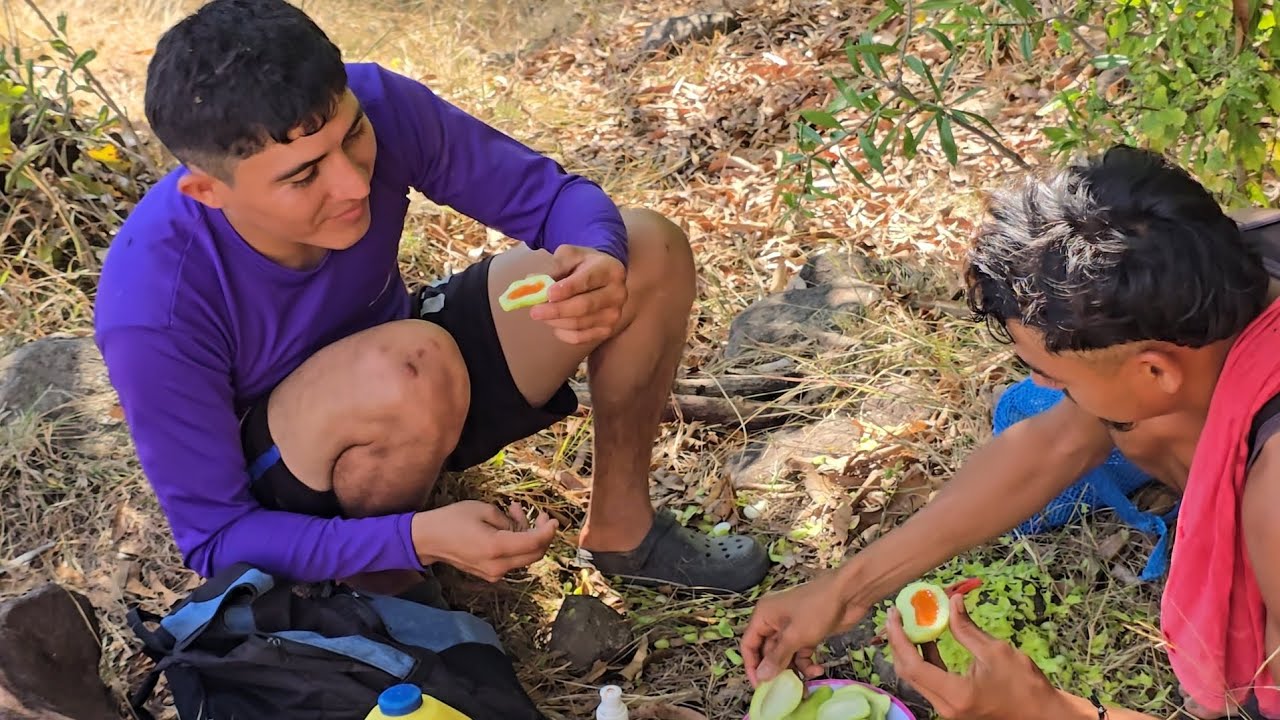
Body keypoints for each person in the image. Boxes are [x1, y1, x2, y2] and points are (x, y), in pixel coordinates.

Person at [93, 0, 771, 604]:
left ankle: (624, 529)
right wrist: (412, 540)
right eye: (303, 176)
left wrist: (595, 257)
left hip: (408, 374)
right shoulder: (153, 302)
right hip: (295, 477)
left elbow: (556, 197)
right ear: (208, 193)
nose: (352, 184)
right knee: (407, 366)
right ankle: (385, 592)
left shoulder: (378, 104)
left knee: (645, 247)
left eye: (352, 138)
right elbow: (218, 538)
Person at [740, 145, 1280, 719]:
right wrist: (846, 589)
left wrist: (1048, 711)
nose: (1042, 388)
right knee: (1119, 424)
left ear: (1155, 370)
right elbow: (1057, 442)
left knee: (1134, 428)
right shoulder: (1234, 257)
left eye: (1051, 374)